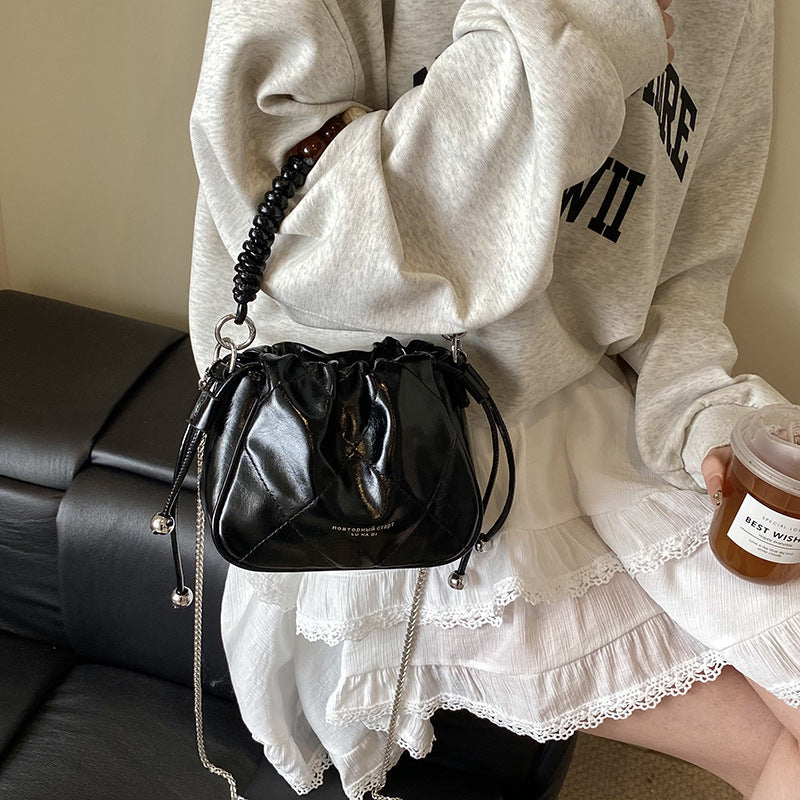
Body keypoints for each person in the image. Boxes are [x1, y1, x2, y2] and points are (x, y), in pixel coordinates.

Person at [188, 0, 800, 796]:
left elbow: (677, 287)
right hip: (375, 450)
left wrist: (709, 418)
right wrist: (589, 26)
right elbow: (294, 236)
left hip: (584, 413)